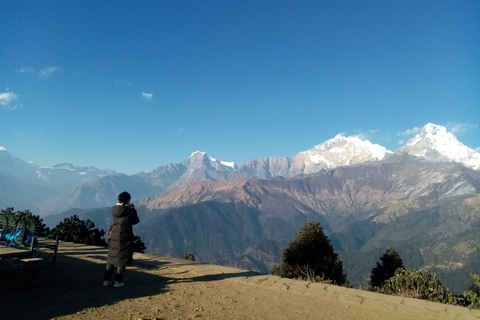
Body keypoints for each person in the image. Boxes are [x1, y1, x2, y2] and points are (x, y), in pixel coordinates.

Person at [103, 191, 140, 287]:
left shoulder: (115, 209)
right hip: (125, 234)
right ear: (128, 200)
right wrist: (133, 209)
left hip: (114, 234)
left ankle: (106, 280)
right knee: (122, 257)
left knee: (112, 256)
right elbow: (135, 221)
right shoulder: (129, 210)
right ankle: (118, 281)